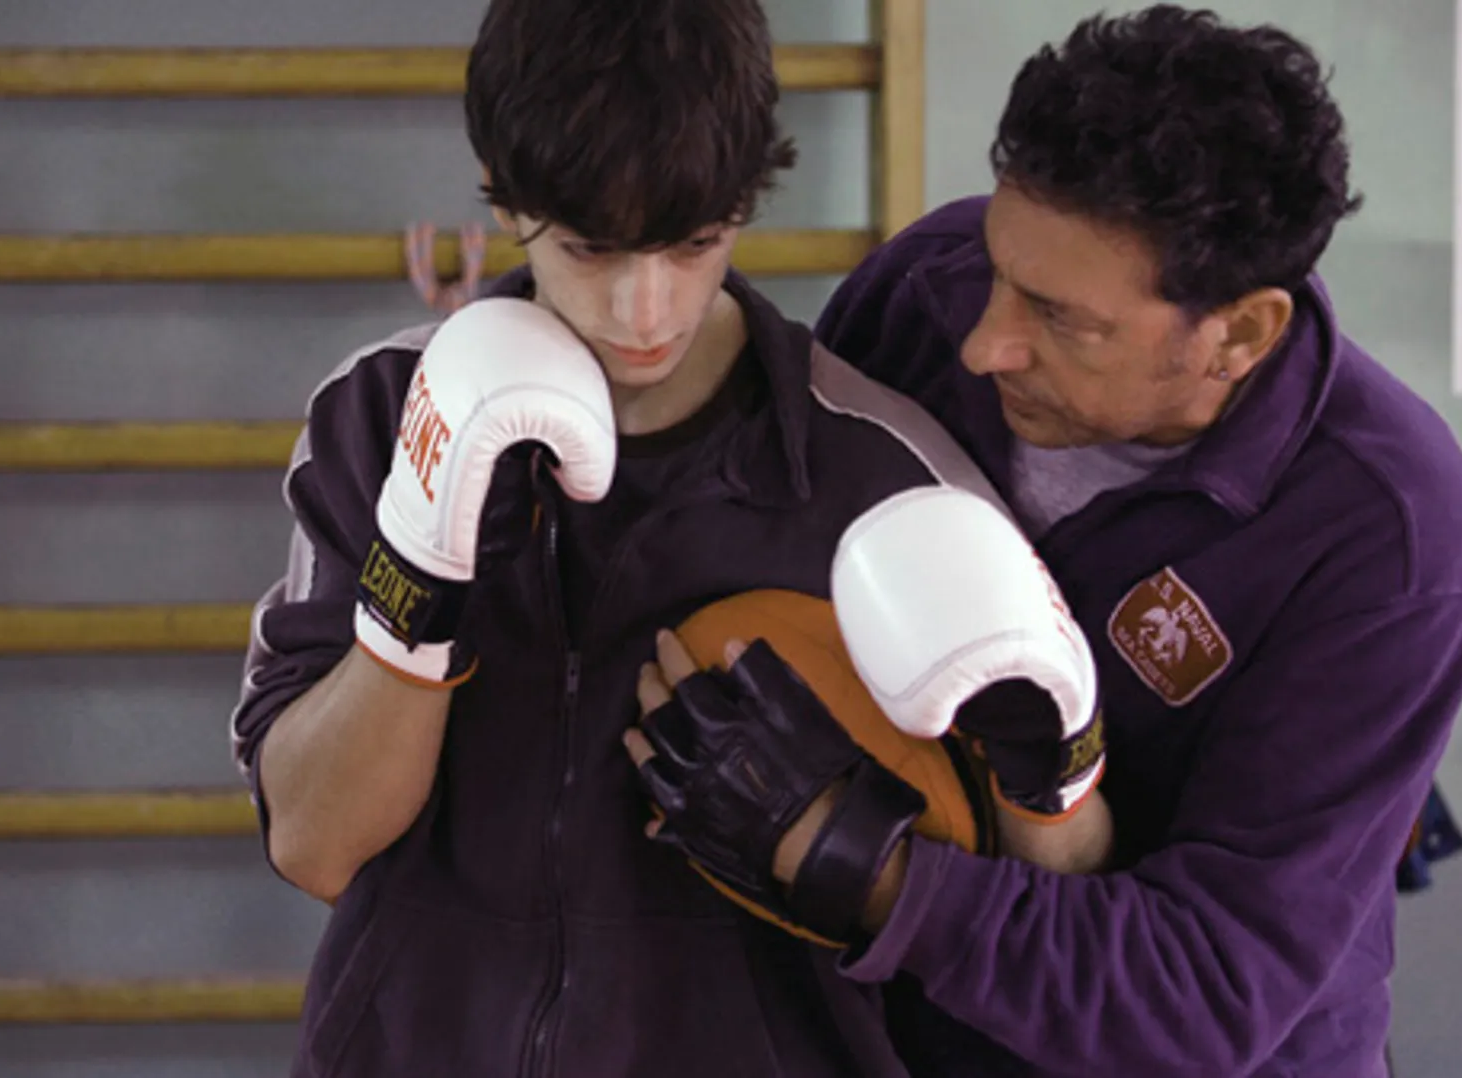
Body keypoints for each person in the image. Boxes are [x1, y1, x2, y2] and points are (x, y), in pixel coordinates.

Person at [229, 1, 1111, 1074]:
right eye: (592, 248)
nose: (645, 310)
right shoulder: (379, 415)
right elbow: (316, 847)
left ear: (746, 198)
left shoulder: (881, 477)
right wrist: (418, 583)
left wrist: (1050, 761)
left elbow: (1059, 919)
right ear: (504, 189)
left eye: (694, 244)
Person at [625, 6, 1462, 1077]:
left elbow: (1202, 998)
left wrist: (855, 856)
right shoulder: (925, 290)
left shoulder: (1387, 534)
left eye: (1059, 317)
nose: (986, 343)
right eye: (998, 269)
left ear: (1239, 333)